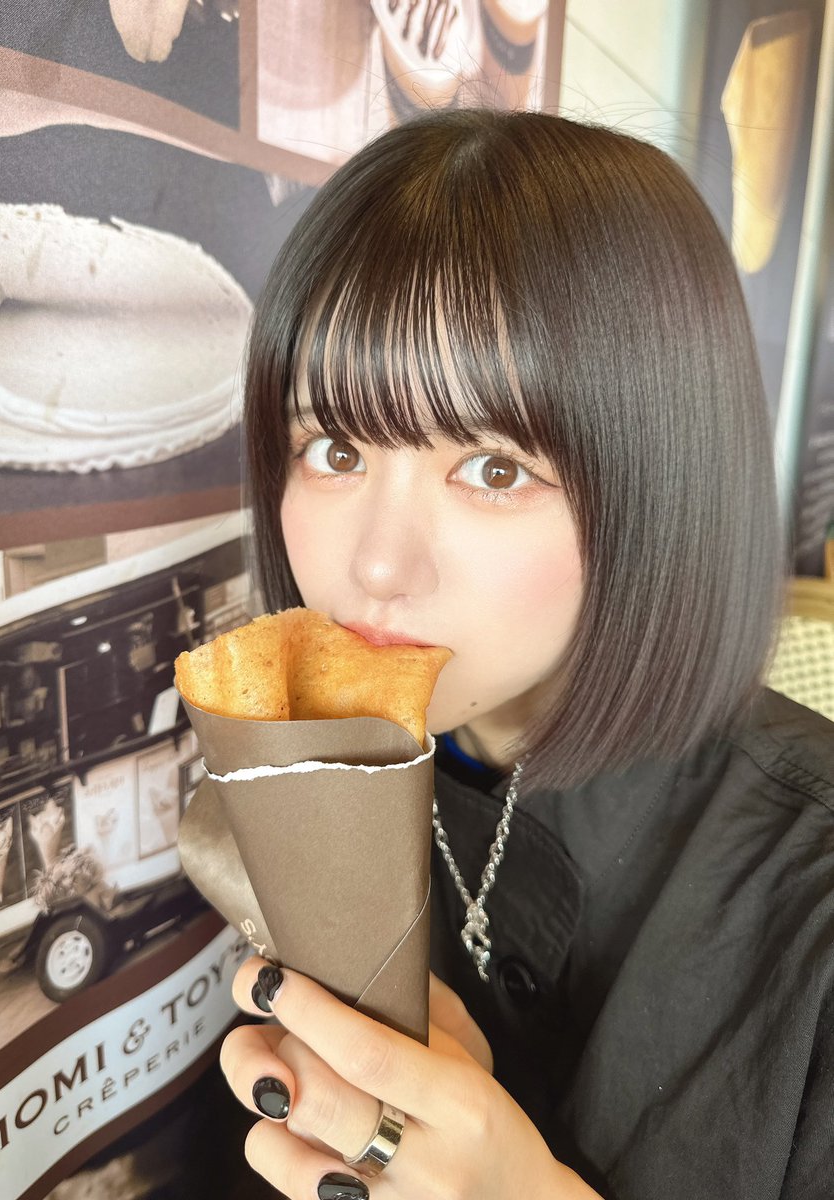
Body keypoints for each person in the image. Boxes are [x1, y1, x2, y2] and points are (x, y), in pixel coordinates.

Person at [218, 108, 834, 1199]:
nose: (376, 565)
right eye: (336, 447)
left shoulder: (805, 893)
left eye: (494, 469)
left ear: (664, 489)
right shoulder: (314, 779)